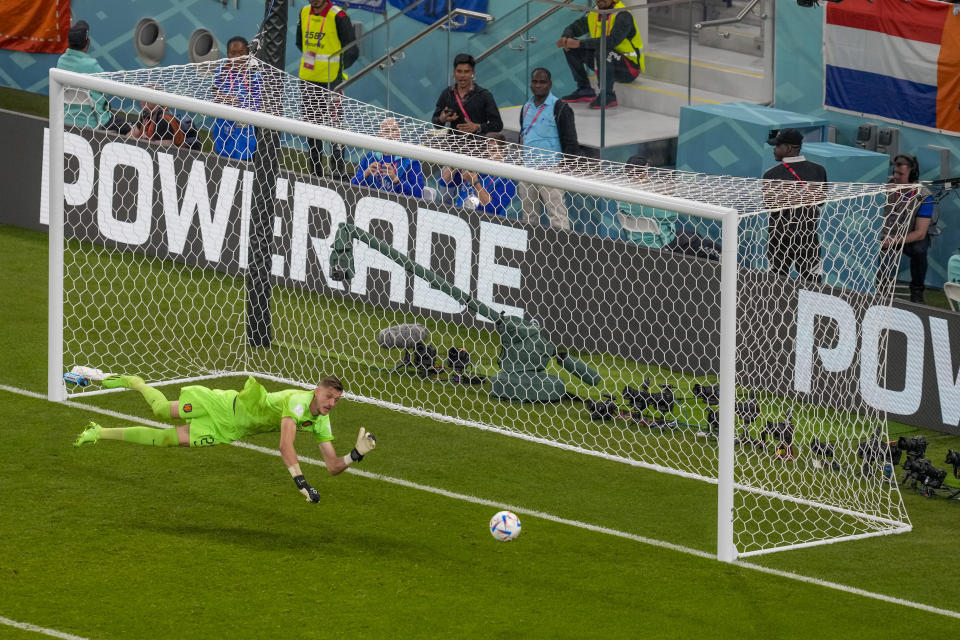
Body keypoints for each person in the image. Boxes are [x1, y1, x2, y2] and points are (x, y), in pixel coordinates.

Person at [73, 374, 376, 503]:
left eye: (336, 400)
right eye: (328, 396)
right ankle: (135, 382)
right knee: (162, 409)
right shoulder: (297, 403)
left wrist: (356, 454)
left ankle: (99, 431)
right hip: (221, 405)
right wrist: (301, 483)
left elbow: (333, 466)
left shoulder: (321, 420)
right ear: (316, 391)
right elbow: (285, 445)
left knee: (164, 440)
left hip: (226, 430)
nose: (331, 403)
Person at [296, 0, 359, 178]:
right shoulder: (303, 11)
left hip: (332, 83)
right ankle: (316, 171)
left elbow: (353, 51)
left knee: (335, 129)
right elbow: (300, 42)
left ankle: (337, 171)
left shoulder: (338, 16)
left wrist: (338, 68)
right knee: (311, 129)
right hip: (308, 81)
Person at [617, 155, 720, 260]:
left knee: (694, 235)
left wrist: (659, 191)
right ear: (645, 172)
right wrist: (667, 195)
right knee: (714, 248)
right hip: (662, 244)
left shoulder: (621, 198)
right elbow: (672, 216)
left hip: (636, 243)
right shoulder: (648, 203)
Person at [762, 128, 827, 283]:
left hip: (779, 237)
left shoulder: (771, 174)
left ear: (789, 148)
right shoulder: (818, 170)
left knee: (774, 283)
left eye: (777, 146)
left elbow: (769, 205)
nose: (773, 149)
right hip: (807, 237)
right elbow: (821, 201)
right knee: (812, 285)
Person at [518, 68, 580, 230]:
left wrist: (565, 170)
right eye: (535, 81)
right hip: (527, 170)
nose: (538, 85)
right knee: (529, 216)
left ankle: (561, 253)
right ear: (531, 84)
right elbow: (523, 136)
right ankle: (530, 251)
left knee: (557, 216)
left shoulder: (560, 108)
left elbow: (571, 141)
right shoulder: (526, 107)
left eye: (542, 82)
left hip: (552, 169)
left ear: (550, 84)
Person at [557, 0, 644, 109]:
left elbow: (612, 41)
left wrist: (579, 43)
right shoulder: (595, 13)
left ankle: (608, 95)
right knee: (570, 48)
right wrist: (566, 37)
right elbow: (574, 27)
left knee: (602, 50)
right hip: (605, 62)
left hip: (629, 68)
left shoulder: (623, 15)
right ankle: (584, 88)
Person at [55, 20, 130, 134]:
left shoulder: (61, 61)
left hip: (67, 118)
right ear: (88, 42)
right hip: (95, 121)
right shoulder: (90, 65)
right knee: (131, 130)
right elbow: (108, 90)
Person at [878, 154, 935, 303]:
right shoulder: (885, 187)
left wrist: (893, 241)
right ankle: (878, 287)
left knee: (919, 250)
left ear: (912, 174)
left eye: (901, 174)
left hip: (909, 237)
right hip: (885, 234)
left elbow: (920, 233)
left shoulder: (924, 196)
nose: (896, 177)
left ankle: (917, 291)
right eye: (895, 172)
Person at [432, 53, 503, 151]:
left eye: (466, 72)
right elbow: (435, 123)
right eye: (459, 71)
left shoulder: (484, 95)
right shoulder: (447, 94)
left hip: (477, 150)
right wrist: (442, 119)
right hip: (453, 148)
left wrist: (477, 127)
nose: (462, 76)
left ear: (472, 73)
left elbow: (498, 125)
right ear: (454, 72)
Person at [438, 133, 517, 217]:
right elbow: (444, 182)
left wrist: (475, 183)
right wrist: (454, 165)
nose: (489, 154)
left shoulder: (507, 180)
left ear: (503, 153)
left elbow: (492, 210)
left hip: (485, 223)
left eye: (493, 150)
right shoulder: (472, 168)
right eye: (485, 150)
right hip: (459, 216)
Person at [211, 36, 263, 161]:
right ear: (228, 54)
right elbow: (215, 93)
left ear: (247, 54)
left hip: (245, 131)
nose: (237, 57)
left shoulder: (254, 75)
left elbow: (257, 104)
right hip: (224, 126)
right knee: (222, 161)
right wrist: (228, 98)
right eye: (233, 53)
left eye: (241, 53)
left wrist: (236, 102)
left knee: (243, 163)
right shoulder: (221, 71)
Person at [351, 117, 425, 198]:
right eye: (386, 131)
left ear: (398, 135)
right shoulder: (370, 157)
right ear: (379, 134)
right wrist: (366, 173)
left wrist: (396, 179)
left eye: (393, 131)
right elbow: (352, 186)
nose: (390, 135)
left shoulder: (410, 162)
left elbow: (418, 195)